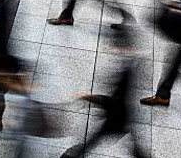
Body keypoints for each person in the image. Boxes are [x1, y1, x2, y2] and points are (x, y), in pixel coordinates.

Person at [60, 26, 147, 157]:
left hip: (117, 116)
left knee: (98, 137)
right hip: (122, 114)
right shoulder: (128, 65)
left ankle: (74, 155)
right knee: (124, 138)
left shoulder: (126, 70)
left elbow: (113, 101)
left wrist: (88, 97)